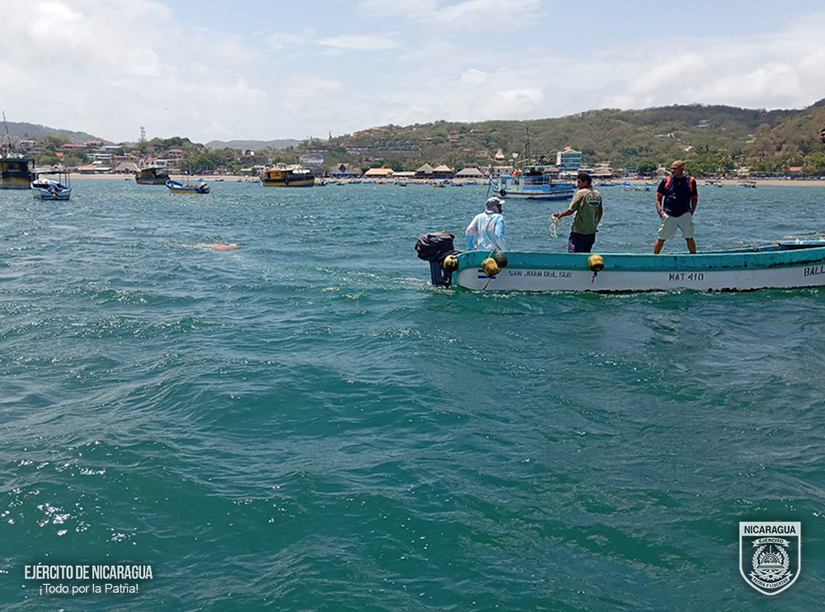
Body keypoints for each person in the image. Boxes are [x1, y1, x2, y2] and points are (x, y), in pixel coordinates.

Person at [653, 160, 698, 254]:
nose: (672, 171)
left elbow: (694, 198)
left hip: (685, 213)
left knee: (689, 237)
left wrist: (692, 210)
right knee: (661, 237)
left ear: (682, 168)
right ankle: (655, 257)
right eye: (671, 168)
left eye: (674, 169)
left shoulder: (690, 181)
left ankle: (694, 257)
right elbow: (658, 197)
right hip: (669, 213)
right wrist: (660, 211)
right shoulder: (666, 181)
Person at [552, 171, 603, 253]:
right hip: (591, 232)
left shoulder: (581, 193)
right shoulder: (597, 194)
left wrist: (560, 215)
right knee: (586, 255)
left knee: (574, 254)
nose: (577, 185)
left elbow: (570, 210)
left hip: (579, 231)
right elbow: (600, 212)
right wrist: (594, 224)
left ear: (585, 182)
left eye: (579, 182)